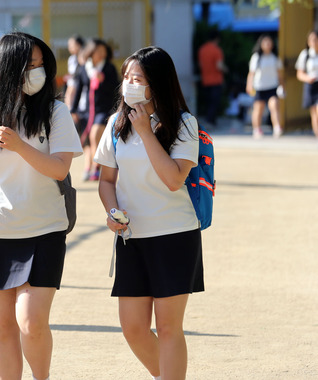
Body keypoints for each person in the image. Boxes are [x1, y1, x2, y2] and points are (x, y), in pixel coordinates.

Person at [0, 32, 83, 380]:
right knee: (4, 326)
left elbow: (59, 167)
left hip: (46, 228)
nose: (38, 73)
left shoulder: (55, 111)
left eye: (42, 65)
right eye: (30, 66)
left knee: (31, 321)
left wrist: (18, 146)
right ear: (9, 68)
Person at [94, 46, 204, 380]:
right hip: (132, 238)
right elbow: (106, 180)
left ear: (156, 83)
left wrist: (145, 130)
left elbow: (174, 179)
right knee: (132, 328)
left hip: (173, 236)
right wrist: (112, 210)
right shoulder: (115, 123)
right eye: (126, 77)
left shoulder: (184, 124)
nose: (128, 84)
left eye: (137, 78)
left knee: (169, 328)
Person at [70, 38, 119, 181]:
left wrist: (103, 81)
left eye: (103, 51)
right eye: (98, 51)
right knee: (88, 142)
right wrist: (73, 109)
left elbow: (116, 88)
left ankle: (96, 167)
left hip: (104, 109)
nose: (101, 54)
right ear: (90, 52)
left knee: (95, 135)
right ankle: (89, 168)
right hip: (86, 110)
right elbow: (79, 89)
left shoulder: (109, 68)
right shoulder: (84, 68)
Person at [246, 34, 284, 139]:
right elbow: (251, 73)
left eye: (269, 42)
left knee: (274, 105)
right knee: (258, 109)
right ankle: (257, 129)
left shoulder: (275, 57)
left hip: (272, 86)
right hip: (259, 87)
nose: (267, 44)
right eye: (265, 42)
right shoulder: (256, 57)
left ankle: (277, 127)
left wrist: (282, 86)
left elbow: (279, 74)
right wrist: (249, 85)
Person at [198, 30, 227, 127]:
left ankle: (209, 120)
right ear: (217, 38)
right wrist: (226, 70)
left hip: (205, 79)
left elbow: (200, 65)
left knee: (208, 101)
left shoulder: (202, 49)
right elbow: (219, 65)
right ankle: (211, 121)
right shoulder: (216, 50)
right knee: (214, 102)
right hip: (216, 79)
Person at [296, 29, 318, 138]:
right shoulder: (305, 55)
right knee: (313, 112)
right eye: (312, 40)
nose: (314, 42)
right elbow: (299, 73)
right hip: (311, 84)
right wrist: (308, 78)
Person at [64, 34, 84, 108]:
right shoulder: (71, 59)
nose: (70, 47)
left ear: (79, 45)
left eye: (72, 45)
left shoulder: (84, 58)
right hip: (72, 84)